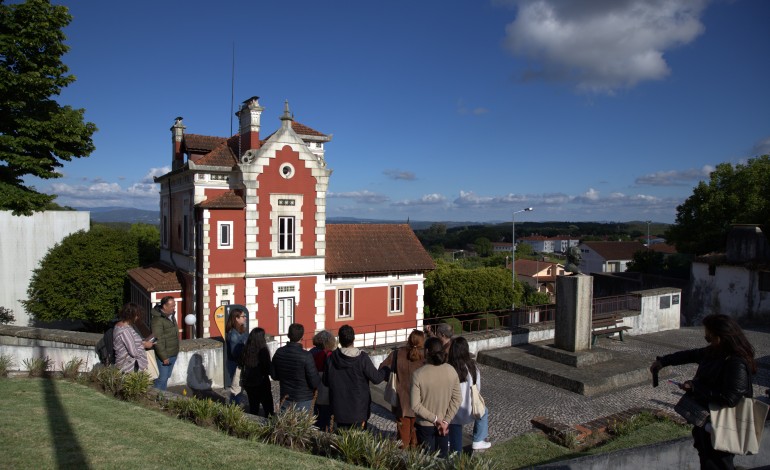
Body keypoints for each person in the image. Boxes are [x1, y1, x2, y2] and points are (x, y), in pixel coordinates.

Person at [650, 314, 756, 470]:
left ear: (721, 337)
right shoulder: (715, 352)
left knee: (718, 464)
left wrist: (695, 388)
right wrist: (663, 361)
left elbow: (730, 398)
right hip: (706, 422)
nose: (707, 340)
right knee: (707, 461)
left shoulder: (735, 362)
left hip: (723, 427)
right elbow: (690, 355)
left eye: (709, 337)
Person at [324, 325, 389, 430]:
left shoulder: (331, 358)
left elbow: (326, 381)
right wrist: (385, 370)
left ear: (339, 340)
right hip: (359, 410)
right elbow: (376, 378)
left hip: (338, 409)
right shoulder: (362, 359)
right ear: (353, 339)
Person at [411, 336, 462, 457]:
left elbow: (415, 405)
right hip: (444, 424)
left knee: (426, 460)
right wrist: (445, 420)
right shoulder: (451, 370)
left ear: (427, 352)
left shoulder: (418, 374)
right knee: (442, 459)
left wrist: (435, 419)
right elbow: (457, 399)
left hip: (425, 424)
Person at [378, 329, 425, 448]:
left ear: (409, 340)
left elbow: (382, 367)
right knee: (417, 436)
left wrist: (393, 376)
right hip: (420, 401)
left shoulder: (397, 353)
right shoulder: (425, 357)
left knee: (402, 437)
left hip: (400, 400)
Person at [447, 337, 491, 453]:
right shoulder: (473, 367)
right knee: (484, 411)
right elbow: (478, 388)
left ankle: (453, 446)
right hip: (470, 408)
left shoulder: (448, 368)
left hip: (453, 411)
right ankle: (478, 439)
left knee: (454, 425)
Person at [270, 323, 319, 412]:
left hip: (285, 397)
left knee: (285, 425)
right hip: (304, 398)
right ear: (302, 337)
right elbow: (314, 382)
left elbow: (274, 375)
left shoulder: (279, 352)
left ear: (288, 335)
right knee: (303, 425)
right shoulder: (306, 355)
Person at [240, 327, 275, 417]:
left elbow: (241, 363)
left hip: (249, 382)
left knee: (253, 407)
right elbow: (267, 368)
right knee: (268, 408)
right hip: (261, 382)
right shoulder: (263, 351)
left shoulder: (246, 349)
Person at [113, 303, 154, 373]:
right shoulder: (125, 330)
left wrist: (141, 342)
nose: (137, 317)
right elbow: (133, 352)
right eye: (136, 315)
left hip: (127, 365)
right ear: (131, 315)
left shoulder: (119, 325)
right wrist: (145, 345)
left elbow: (131, 342)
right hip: (129, 367)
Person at [151, 296, 180, 390]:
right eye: (172, 306)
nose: (174, 308)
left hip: (173, 353)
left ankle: (162, 397)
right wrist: (164, 357)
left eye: (174, 306)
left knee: (166, 377)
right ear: (164, 306)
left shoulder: (171, 316)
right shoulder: (157, 320)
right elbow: (158, 339)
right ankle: (157, 399)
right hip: (165, 356)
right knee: (162, 378)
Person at [310, 330, 336, 431]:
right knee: (327, 418)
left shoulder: (311, 353)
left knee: (317, 417)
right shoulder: (329, 355)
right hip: (326, 389)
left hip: (314, 388)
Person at [225, 309, 248, 404]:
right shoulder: (233, 334)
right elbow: (235, 353)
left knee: (239, 388)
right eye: (243, 316)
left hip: (240, 363)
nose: (245, 318)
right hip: (237, 364)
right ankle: (233, 411)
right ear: (236, 318)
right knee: (236, 389)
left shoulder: (240, 331)